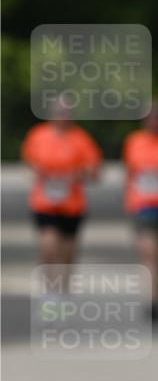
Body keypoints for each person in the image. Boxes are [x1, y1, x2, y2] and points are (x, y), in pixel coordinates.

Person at [21, 96, 102, 274]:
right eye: (59, 112)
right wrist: (39, 173)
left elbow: (95, 171)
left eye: (66, 113)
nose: (63, 116)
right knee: (48, 247)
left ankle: (63, 287)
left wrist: (77, 175)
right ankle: (50, 287)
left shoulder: (81, 139)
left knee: (67, 255)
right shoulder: (38, 136)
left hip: (71, 205)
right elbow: (29, 162)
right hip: (44, 203)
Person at [122, 99, 158, 320]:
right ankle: (151, 300)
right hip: (142, 205)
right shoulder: (134, 141)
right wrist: (128, 199)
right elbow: (129, 173)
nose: (155, 122)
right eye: (151, 118)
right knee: (149, 252)